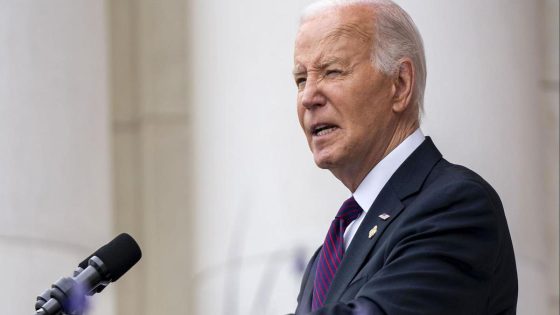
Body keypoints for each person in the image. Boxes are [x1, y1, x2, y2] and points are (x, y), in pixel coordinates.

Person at [290, 0, 518, 314]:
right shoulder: (327, 256)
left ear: (400, 85)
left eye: (332, 72)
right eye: (301, 80)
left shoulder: (457, 206)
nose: (308, 97)